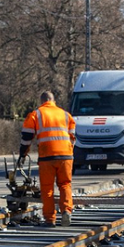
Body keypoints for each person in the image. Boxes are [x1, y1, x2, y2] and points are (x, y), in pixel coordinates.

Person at [19, 91, 76, 226]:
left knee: (47, 188)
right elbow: (73, 136)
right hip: (66, 156)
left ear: (42, 101)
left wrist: (23, 153)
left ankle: (50, 219)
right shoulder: (65, 114)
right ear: (53, 100)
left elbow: (27, 137)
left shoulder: (36, 114)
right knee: (65, 184)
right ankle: (66, 211)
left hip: (47, 156)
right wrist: (68, 151)